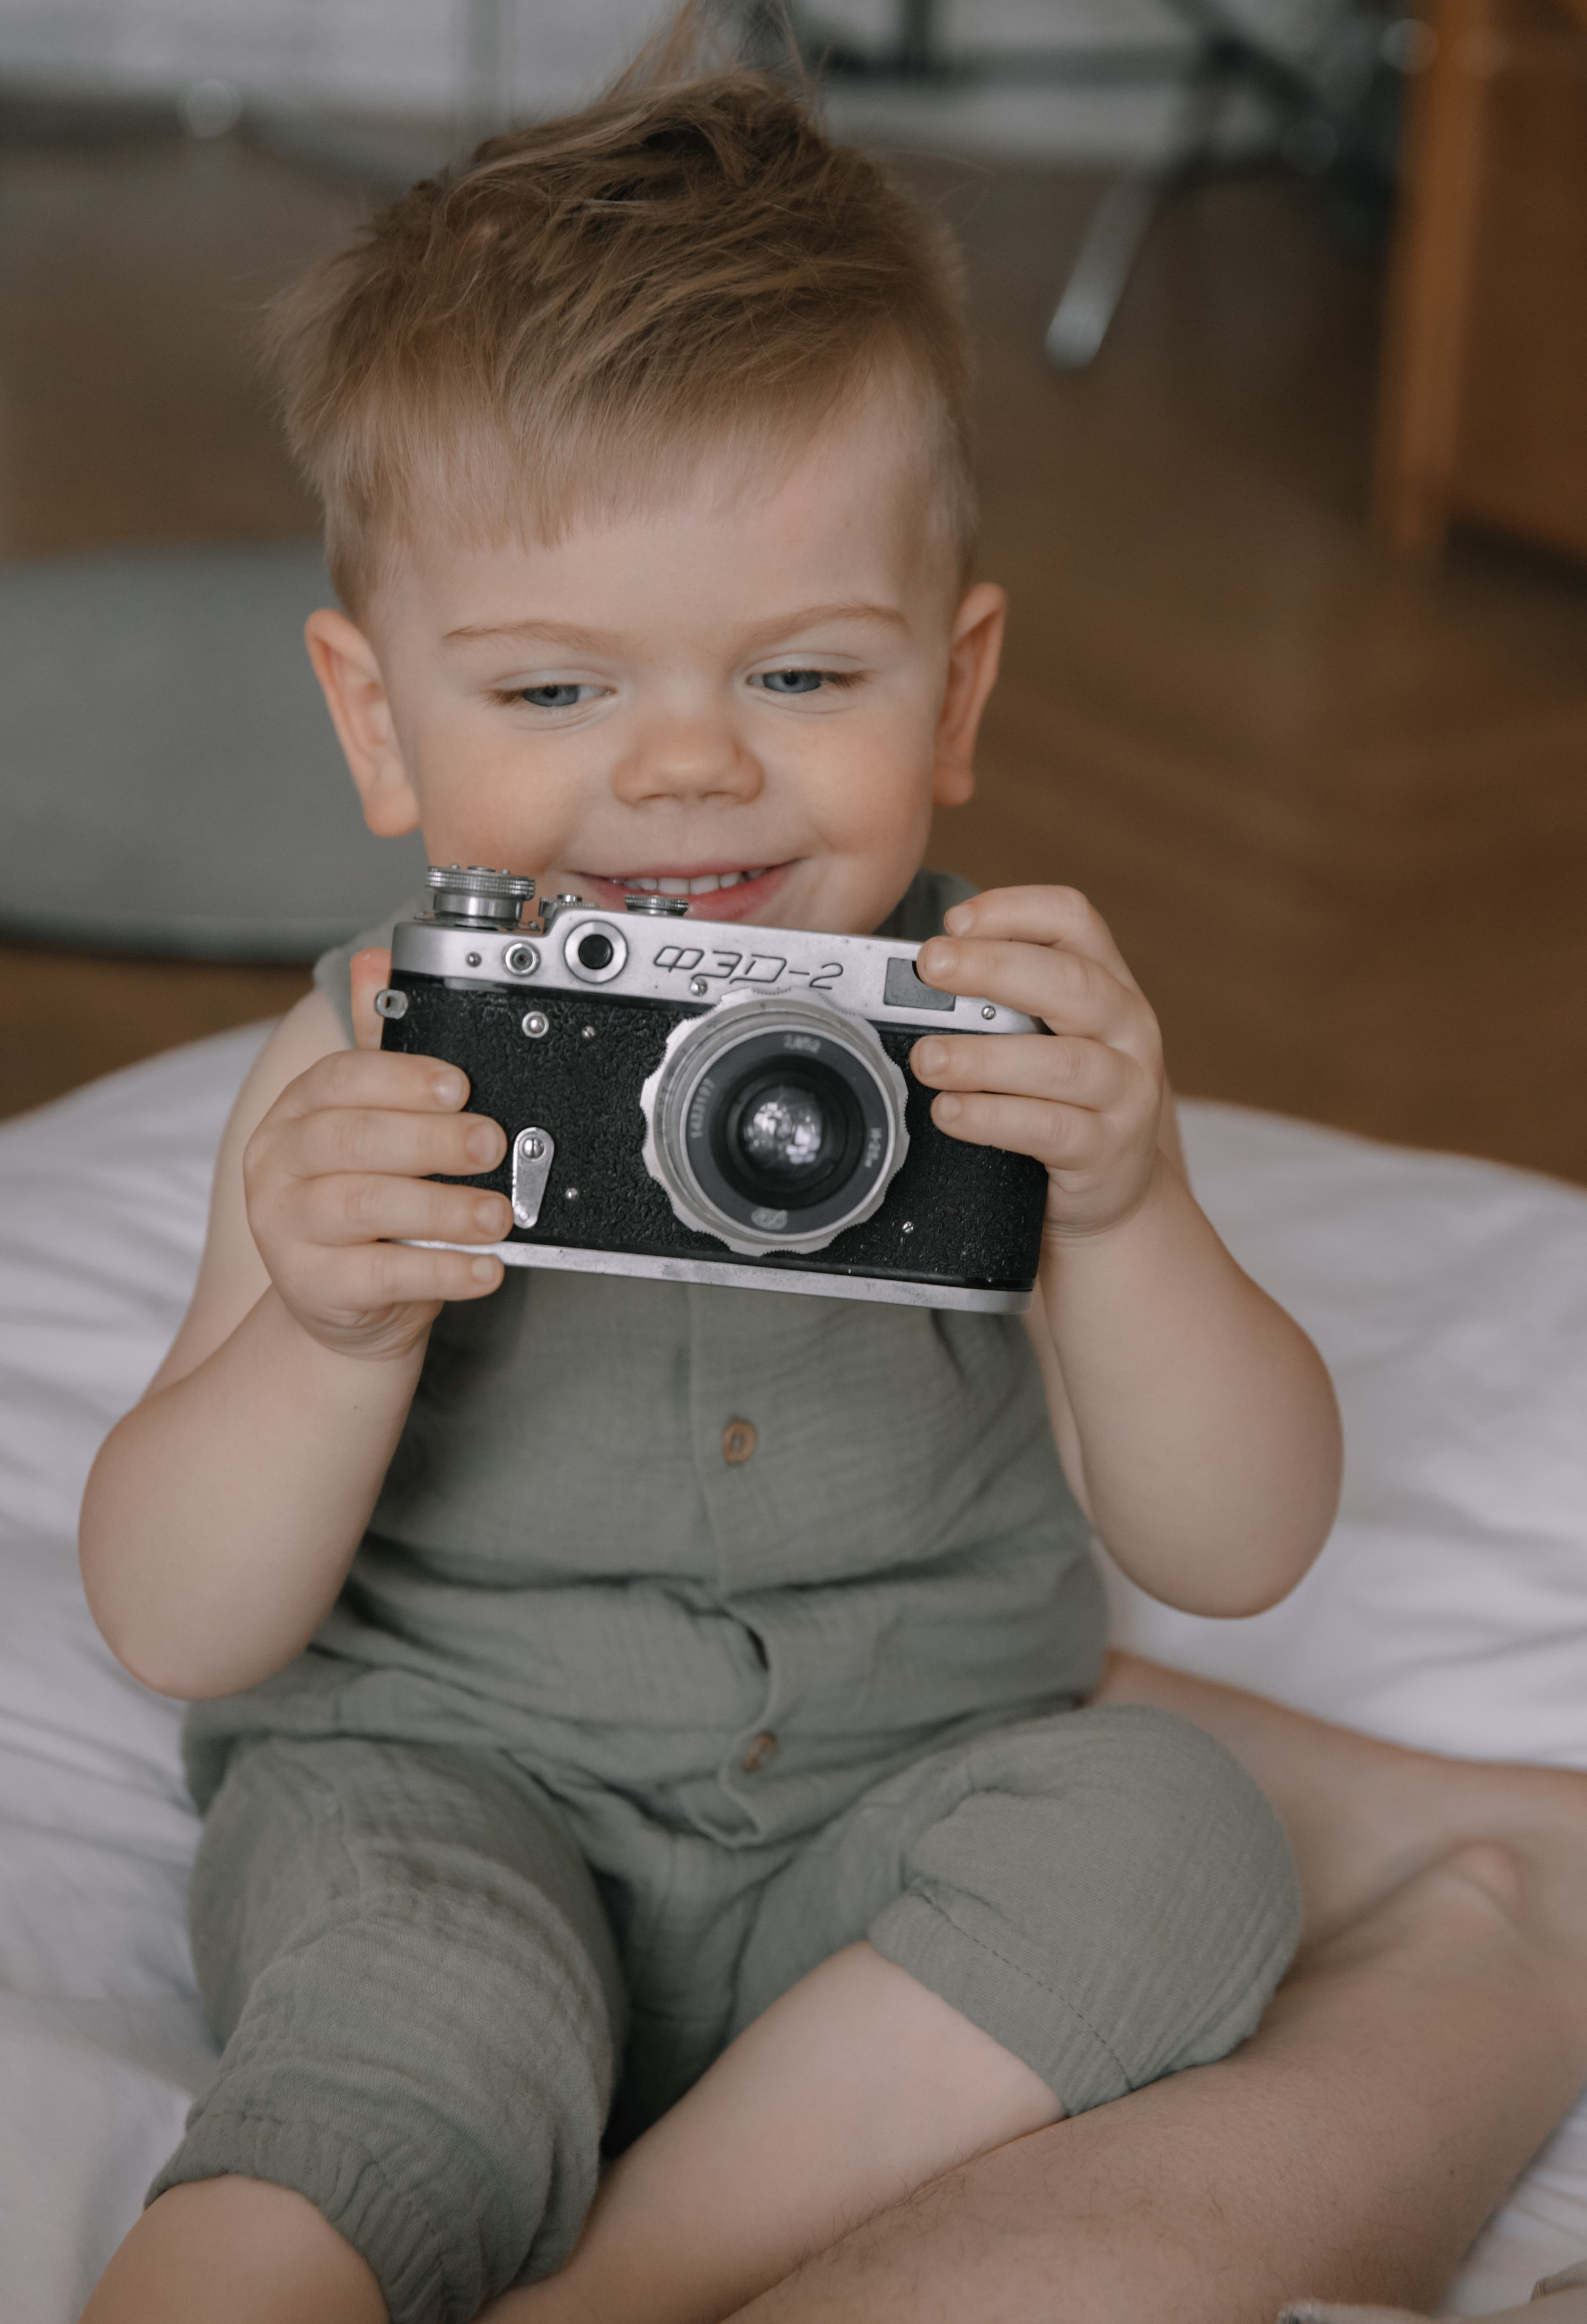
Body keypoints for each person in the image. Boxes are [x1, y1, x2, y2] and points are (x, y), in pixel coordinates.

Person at [74, 29, 1587, 2324]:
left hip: (885, 1818)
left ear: (954, 692)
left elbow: (1236, 1544)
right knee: (411, 2006)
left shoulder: (982, 1031)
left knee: (1178, 1834)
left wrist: (1132, 1212)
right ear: (381, 723)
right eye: (555, 695)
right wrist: (325, 1321)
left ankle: (632, 2284)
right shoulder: (378, 1045)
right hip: (446, 1785)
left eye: (798, 670)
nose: (689, 765)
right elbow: (181, 1622)